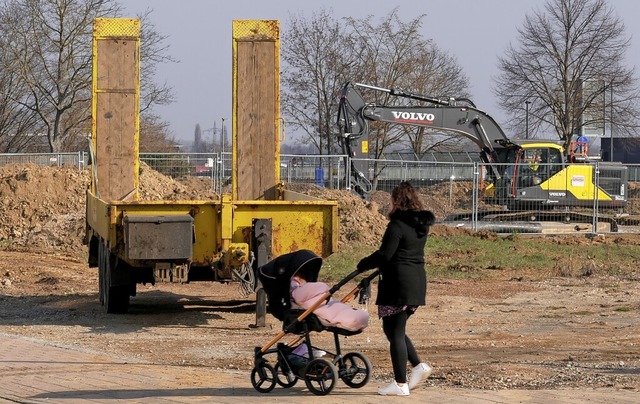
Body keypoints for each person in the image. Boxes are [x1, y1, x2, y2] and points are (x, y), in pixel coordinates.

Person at [357, 181, 436, 396]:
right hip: (416, 282)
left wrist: (363, 264)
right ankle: (419, 367)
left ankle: (400, 384)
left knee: (396, 331)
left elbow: (385, 254)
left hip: (398, 284)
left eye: (391, 200)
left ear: (396, 201)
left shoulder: (397, 225)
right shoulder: (421, 226)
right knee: (393, 329)